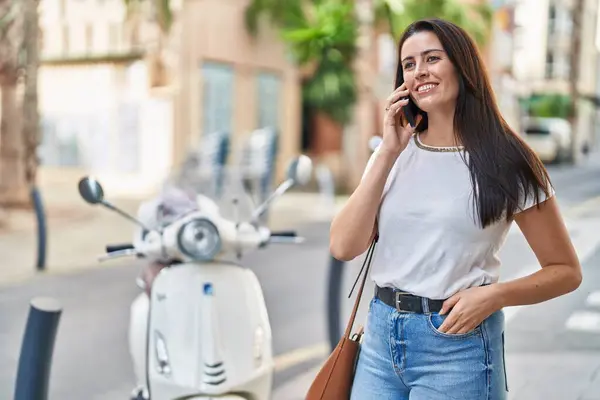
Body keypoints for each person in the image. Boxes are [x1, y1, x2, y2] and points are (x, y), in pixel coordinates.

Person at [329, 18, 582, 400]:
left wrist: (494, 296)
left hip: (456, 347)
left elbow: (566, 271)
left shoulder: (508, 161)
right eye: (409, 64)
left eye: (432, 58)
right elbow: (344, 247)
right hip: (380, 342)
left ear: (463, 67)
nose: (420, 72)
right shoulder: (392, 154)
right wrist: (387, 151)